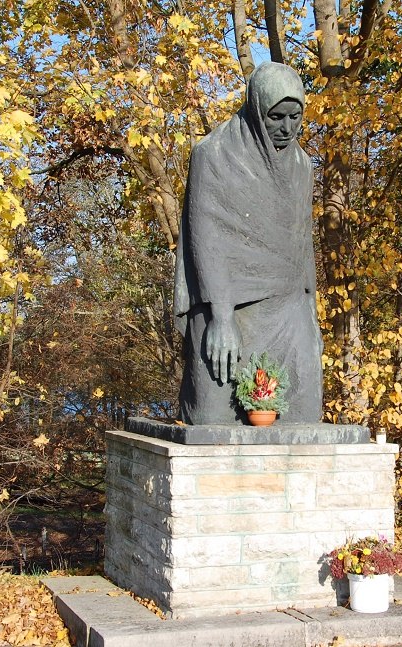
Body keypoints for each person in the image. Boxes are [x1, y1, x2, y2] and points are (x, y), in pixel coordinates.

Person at [173, 62, 323, 425]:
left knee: (304, 416)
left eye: (295, 116)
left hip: (289, 308)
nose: (286, 128)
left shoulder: (303, 166)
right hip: (228, 306)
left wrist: (312, 316)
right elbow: (204, 236)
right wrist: (221, 320)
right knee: (212, 420)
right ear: (256, 108)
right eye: (276, 117)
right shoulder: (214, 153)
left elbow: (302, 244)